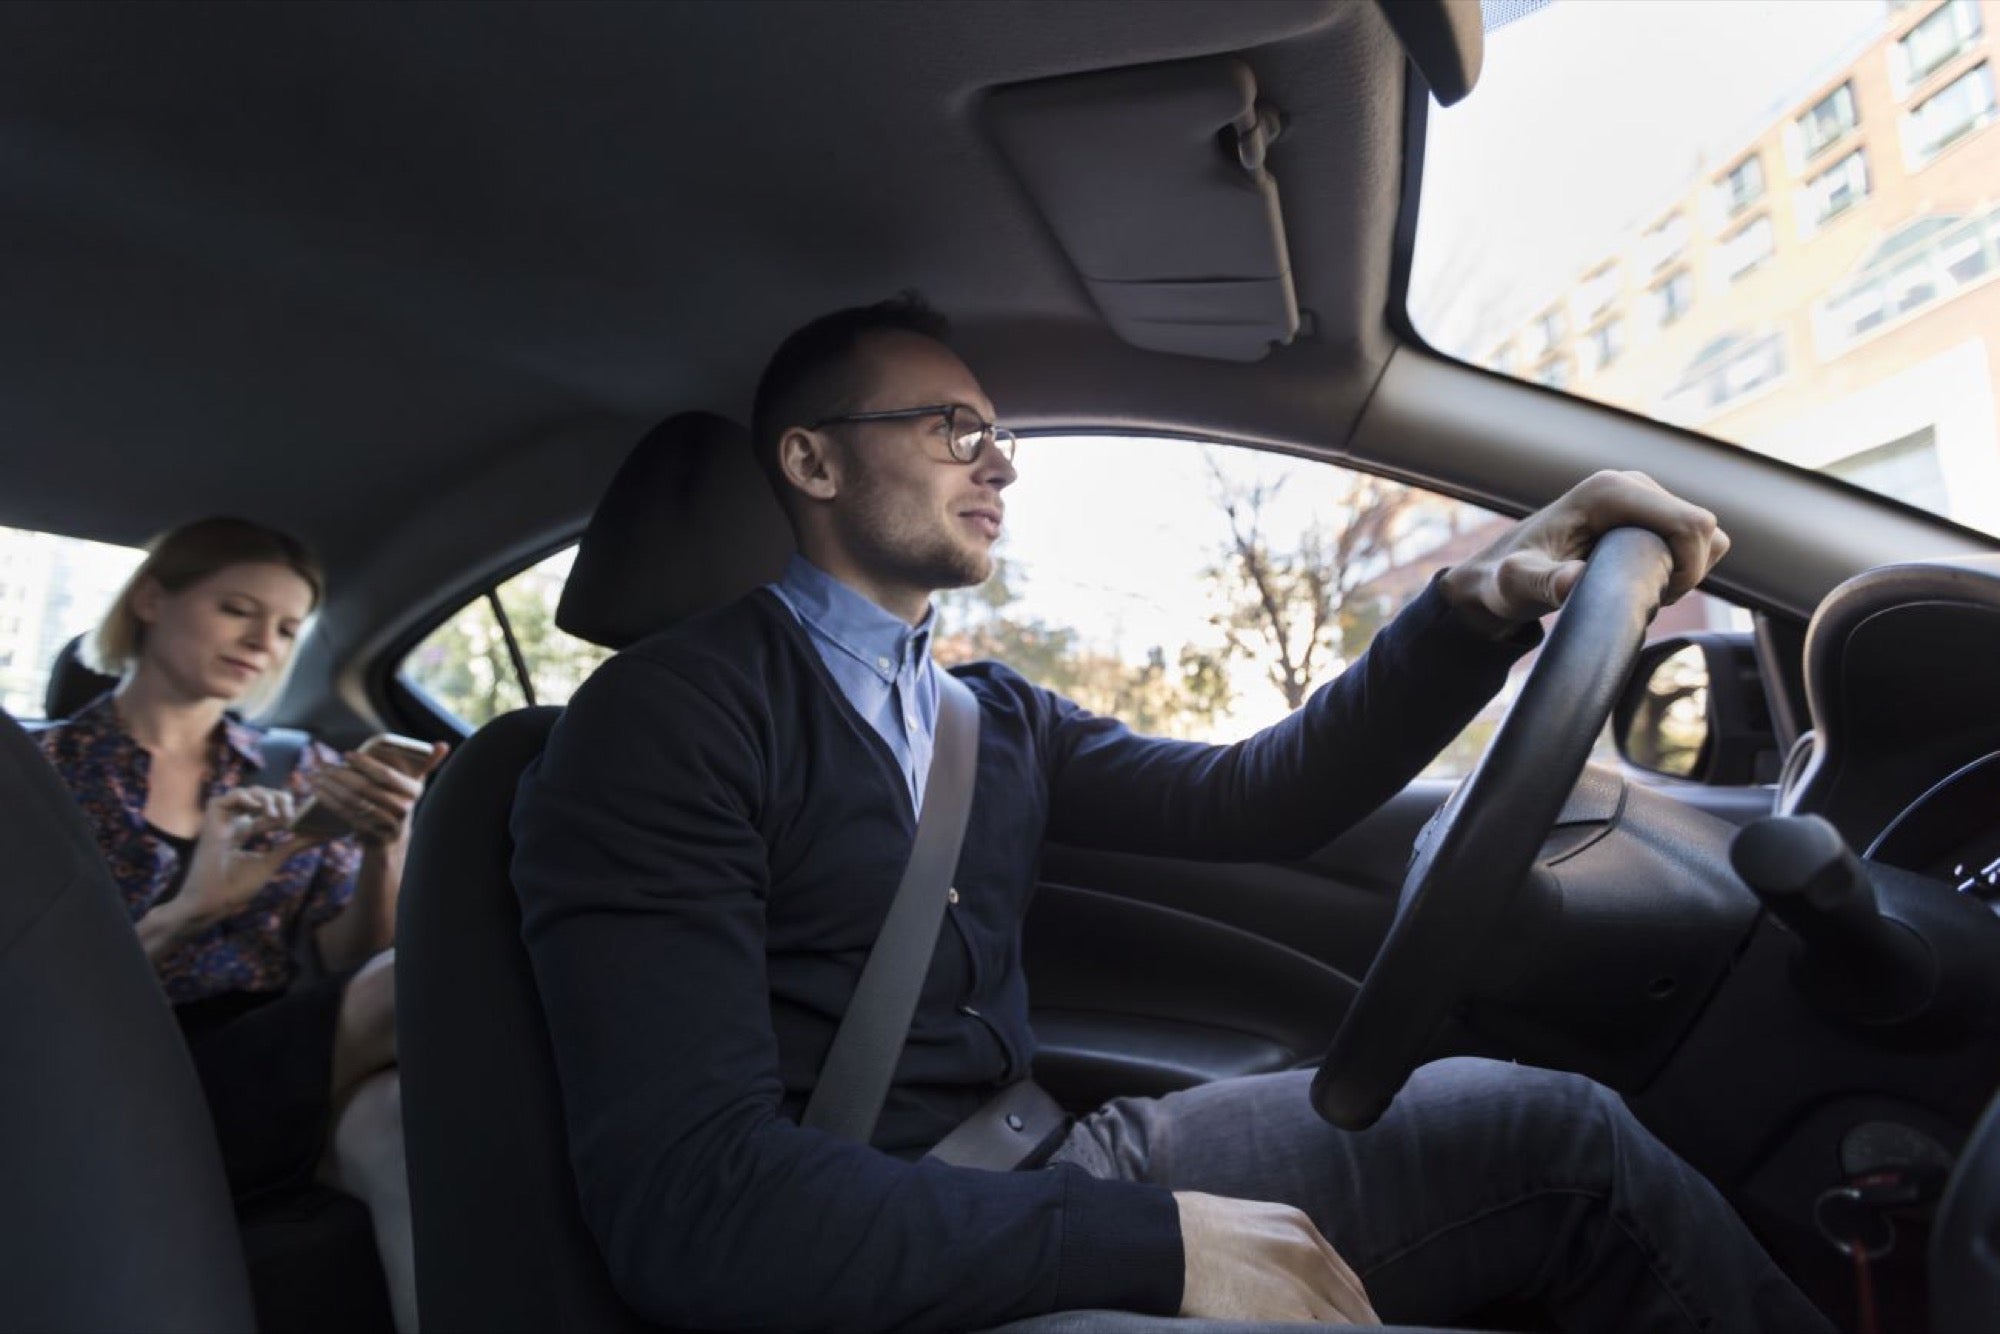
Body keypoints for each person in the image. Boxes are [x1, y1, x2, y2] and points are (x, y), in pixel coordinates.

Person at [510, 296, 1833, 1333]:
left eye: (1001, 434)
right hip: (877, 1269)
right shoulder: (664, 723)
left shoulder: (991, 715)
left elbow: (1260, 795)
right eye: (951, 428)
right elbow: (699, 1211)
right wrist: (1167, 1244)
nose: (1000, 465)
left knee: (1558, 1127)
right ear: (811, 459)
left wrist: (1476, 603)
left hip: (1049, 1167)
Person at [36, 516, 443, 1334]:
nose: (264, 640)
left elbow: (347, 961)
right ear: (152, 598)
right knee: (418, 990)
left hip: (269, 1048)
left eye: (288, 627)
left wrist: (383, 845)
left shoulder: (303, 770)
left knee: (397, 1119)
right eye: (237, 609)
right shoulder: (39, 775)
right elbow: (34, 1003)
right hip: (96, 1068)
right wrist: (197, 909)